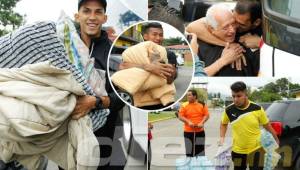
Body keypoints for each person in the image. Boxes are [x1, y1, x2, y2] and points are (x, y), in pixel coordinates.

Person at [74, 0, 125, 169]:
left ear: (104, 17)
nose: (92, 17)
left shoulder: (115, 52)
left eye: (98, 12)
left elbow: (127, 96)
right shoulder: (65, 48)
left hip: (109, 134)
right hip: (73, 135)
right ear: (77, 16)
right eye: (87, 11)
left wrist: (96, 102)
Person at [219, 81, 279, 170]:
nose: (235, 99)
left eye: (239, 96)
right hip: (238, 151)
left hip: (256, 150)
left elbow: (267, 125)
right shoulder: (229, 110)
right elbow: (223, 124)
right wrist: (222, 138)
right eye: (233, 96)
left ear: (246, 95)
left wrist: (276, 138)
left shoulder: (257, 108)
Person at [119, 22, 177, 110]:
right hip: (139, 103)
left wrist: (166, 69)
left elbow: (170, 80)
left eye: (161, 35)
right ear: (145, 36)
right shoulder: (133, 52)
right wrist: (148, 67)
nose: (158, 38)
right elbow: (123, 67)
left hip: (163, 102)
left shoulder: (168, 54)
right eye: (154, 34)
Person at [189, 4, 259, 76]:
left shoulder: (247, 40)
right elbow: (193, 77)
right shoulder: (194, 45)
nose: (232, 30)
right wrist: (224, 60)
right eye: (225, 27)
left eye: (233, 23)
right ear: (211, 28)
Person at [186, 0, 262, 49]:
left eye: (241, 24)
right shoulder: (230, 15)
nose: (234, 27)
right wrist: (227, 44)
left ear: (256, 22)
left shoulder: (267, 32)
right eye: (234, 21)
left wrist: (261, 43)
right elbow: (191, 27)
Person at [179, 90, 209, 157]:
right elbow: (180, 116)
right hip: (188, 132)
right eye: (187, 95)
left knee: (200, 151)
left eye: (189, 95)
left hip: (200, 132)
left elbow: (206, 115)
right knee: (189, 152)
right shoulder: (184, 105)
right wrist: (188, 121)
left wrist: (202, 122)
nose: (188, 96)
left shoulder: (202, 104)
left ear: (195, 96)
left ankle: (199, 166)